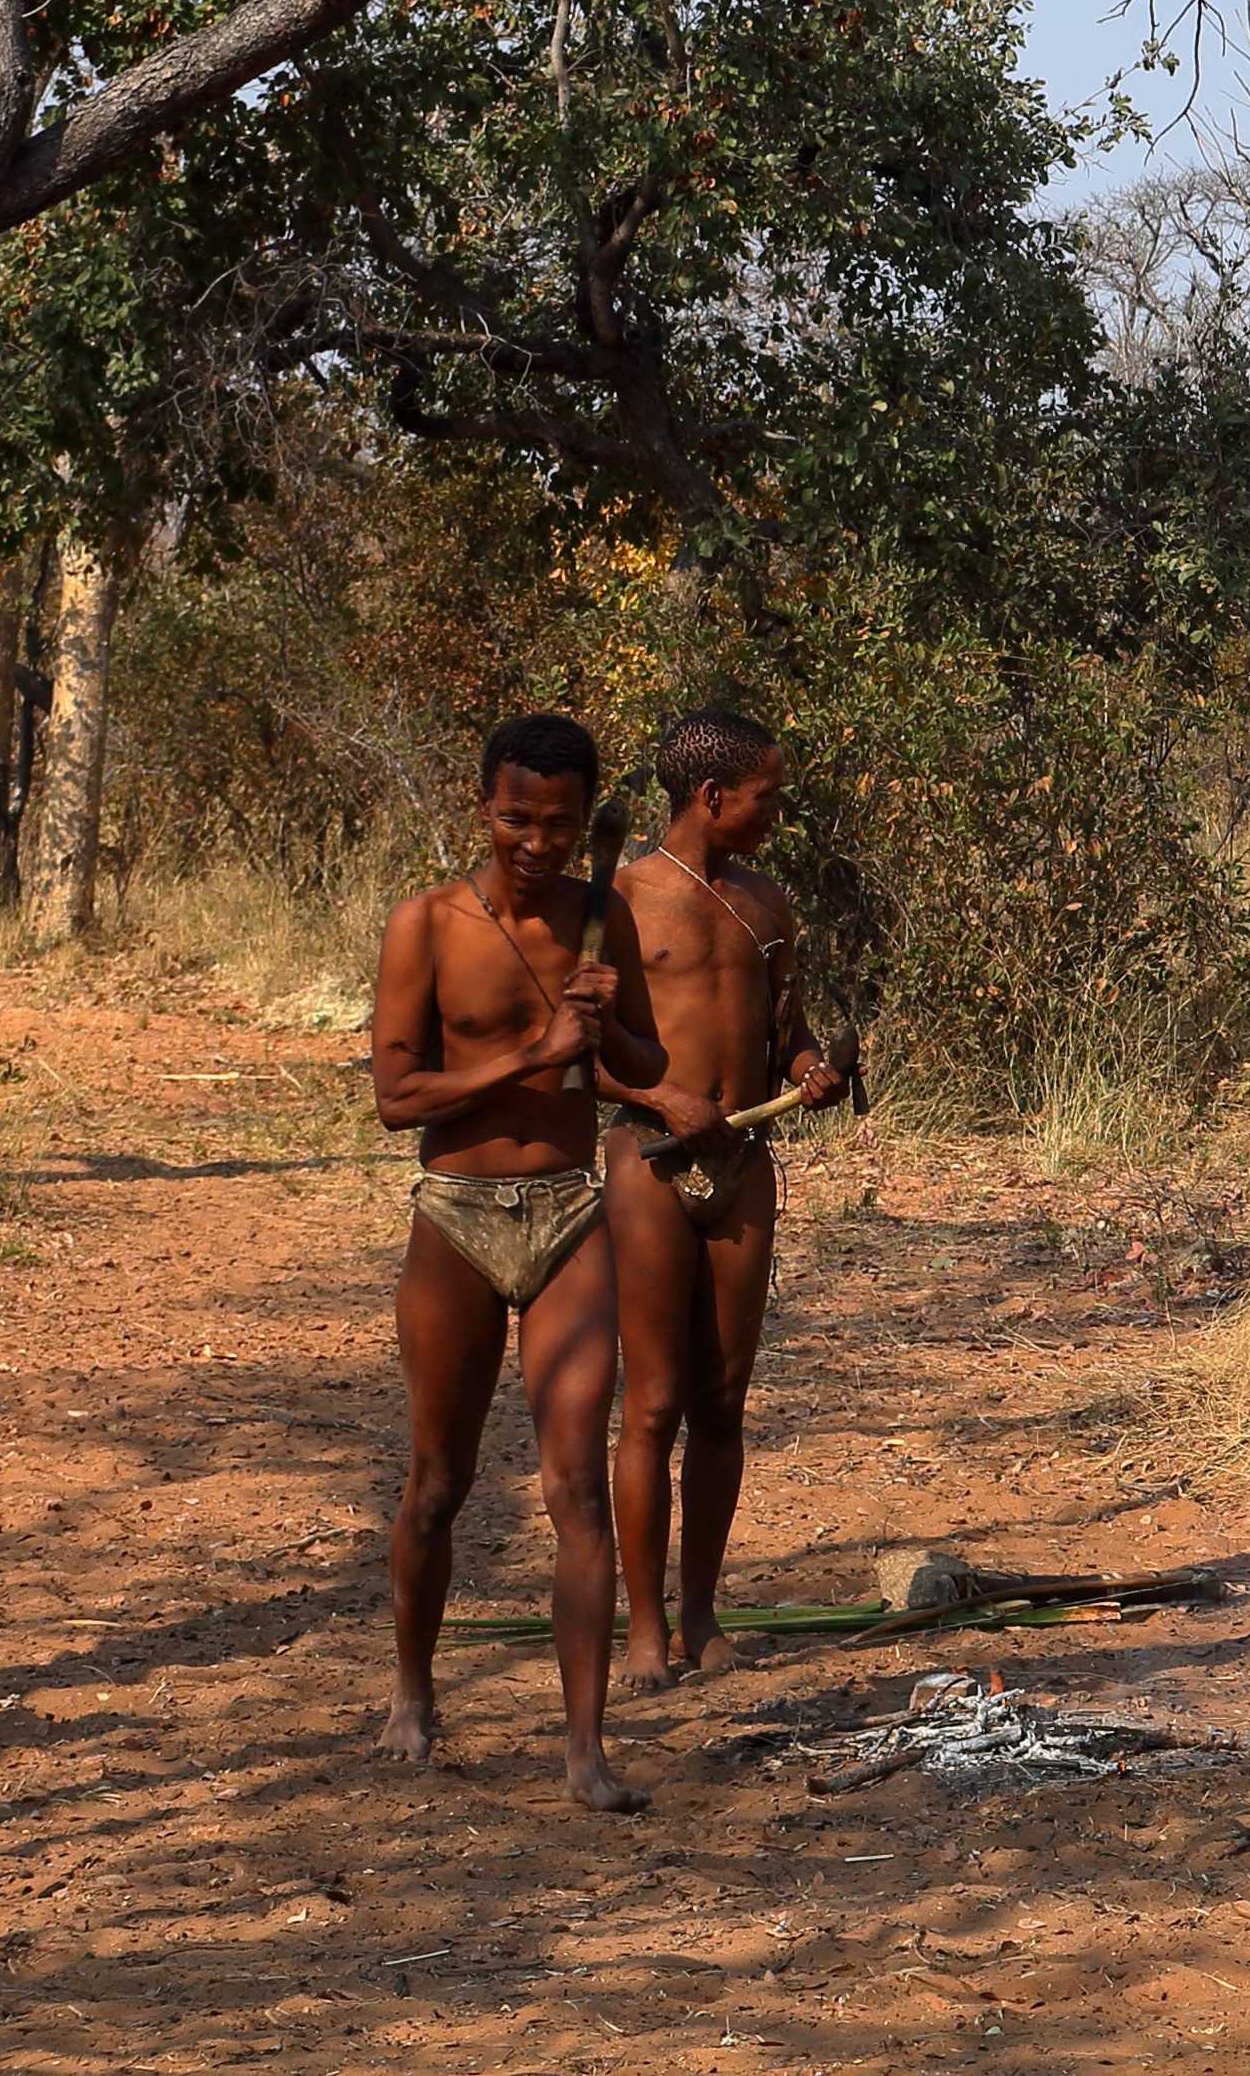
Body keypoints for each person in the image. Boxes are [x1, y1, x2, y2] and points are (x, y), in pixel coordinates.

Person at [367, 710, 658, 1810]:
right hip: (457, 1215)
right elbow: (397, 1099)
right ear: (482, 807)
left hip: (572, 1213)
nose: (538, 843)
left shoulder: (602, 913)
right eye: (518, 820)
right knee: (438, 1484)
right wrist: (531, 1053)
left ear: (587, 822)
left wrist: (609, 1025)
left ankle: (585, 1751)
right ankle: (412, 1691)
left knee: (577, 1483)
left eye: (562, 824)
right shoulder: (427, 926)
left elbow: (641, 1063)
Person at [596, 710, 850, 1686]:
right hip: (651, 1164)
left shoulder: (768, 907)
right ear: (712, 798)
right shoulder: (618, 903)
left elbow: (788, 1031)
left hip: (746, 1165)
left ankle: (701, 1617)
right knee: (652, 1403)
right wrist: (663, 1098)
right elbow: (586, 1058)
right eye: (766, 797)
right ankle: (645, 1631)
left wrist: (811, 1068)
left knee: (724, 1402)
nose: (776, 813)